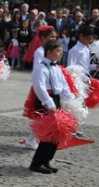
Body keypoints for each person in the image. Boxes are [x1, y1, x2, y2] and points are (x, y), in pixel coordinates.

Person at [29, 40, 74, 174]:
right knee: (48, 134)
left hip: (56, 99)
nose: (61, 54)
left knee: (57, 132)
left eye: (61, 51)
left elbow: (64, 85)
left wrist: (71, 98)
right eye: (58, 51)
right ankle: (36, 163)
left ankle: (46, 160)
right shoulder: (41, 67)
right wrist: (48, 103)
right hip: (46, 101)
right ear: (49, 52)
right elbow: (39, 88)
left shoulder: (57, 68)